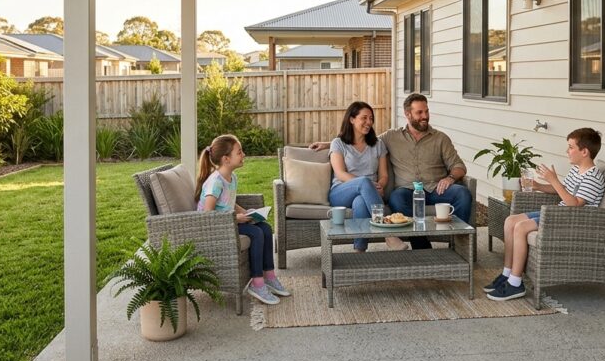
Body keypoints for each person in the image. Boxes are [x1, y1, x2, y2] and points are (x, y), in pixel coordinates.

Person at [312, 93, 472, 250]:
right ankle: (400, 238)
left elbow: (459, 166)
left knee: (463, 193)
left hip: (435, 188)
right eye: (419, 112)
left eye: (426, 111)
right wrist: (330, 144)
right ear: (408, 114)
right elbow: (344, 161)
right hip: (390, 190)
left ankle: (359, 252)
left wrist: (450, 178)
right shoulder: (391, 136)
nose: (425, 116)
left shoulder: (439, 138)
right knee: (389, 194)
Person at [485, 128, 605, 301]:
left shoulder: (593, 177)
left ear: (584, 151)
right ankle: (507, 273)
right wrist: (539, 186)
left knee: (520, 227)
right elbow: (563, 192)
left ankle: (515, 283)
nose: (567, 151)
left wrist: (554, 180)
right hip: (559, 213)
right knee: (510, 221)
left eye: (571, 147)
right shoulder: (577, 170)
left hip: (569, 220)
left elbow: (575, 204)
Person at [196, 134, 290, 306]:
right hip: (216, 228)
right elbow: (207, 215)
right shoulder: (215, 182)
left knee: (266, 228)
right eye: (239, 152)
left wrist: (247, 213)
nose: (243, 154)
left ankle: (269, 276)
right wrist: (236, 218)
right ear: (226, 159)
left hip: (230, 222)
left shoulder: (232, 178)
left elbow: (229, 202)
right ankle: (257, 283)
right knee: (256, 233)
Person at [328, 101, 406, 252]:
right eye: (364, 118)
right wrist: (368, 185)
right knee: (364, 182)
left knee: (360, 202)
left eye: (371, 118)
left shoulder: (377, 144)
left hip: (369, 193)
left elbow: (383, 175)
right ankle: (388, 232)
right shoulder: (338, 143)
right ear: (352, 119)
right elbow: (340, 173)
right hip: (341, 192)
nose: (369, 122)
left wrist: (379, 186)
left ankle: (359, 250)